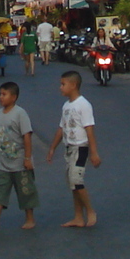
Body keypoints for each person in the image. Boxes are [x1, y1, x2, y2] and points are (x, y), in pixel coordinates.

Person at [0, 81, 37, 231]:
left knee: (25, 189)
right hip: (4, 162)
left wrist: (27, 158)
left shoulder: (20, 113)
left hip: (20, 162)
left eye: (4, 94)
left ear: (14, 97)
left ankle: (30, 218)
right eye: (0, 94)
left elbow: (27, 136)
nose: (1, 97)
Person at [46, 69, 100, 227]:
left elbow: (89, 129)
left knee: (77, 180)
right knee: (72, 183)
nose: (60, 87)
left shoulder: (83, 105)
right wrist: (52, 148)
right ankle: (78, 216)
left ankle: (90, 211)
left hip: (80, 147)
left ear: (73, 85)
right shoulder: (66, 106)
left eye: (63, 84)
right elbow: (61, 128)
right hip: (69, 148)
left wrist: (94, 153)